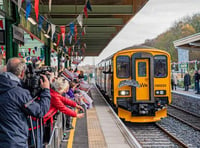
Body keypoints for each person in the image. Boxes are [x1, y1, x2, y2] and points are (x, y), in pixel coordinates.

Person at [0, 57, 51, 148]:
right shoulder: (19, 93)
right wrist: (46, 90)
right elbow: (40, 111)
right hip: (15, 142)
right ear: (22, 73)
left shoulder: (7, 87)